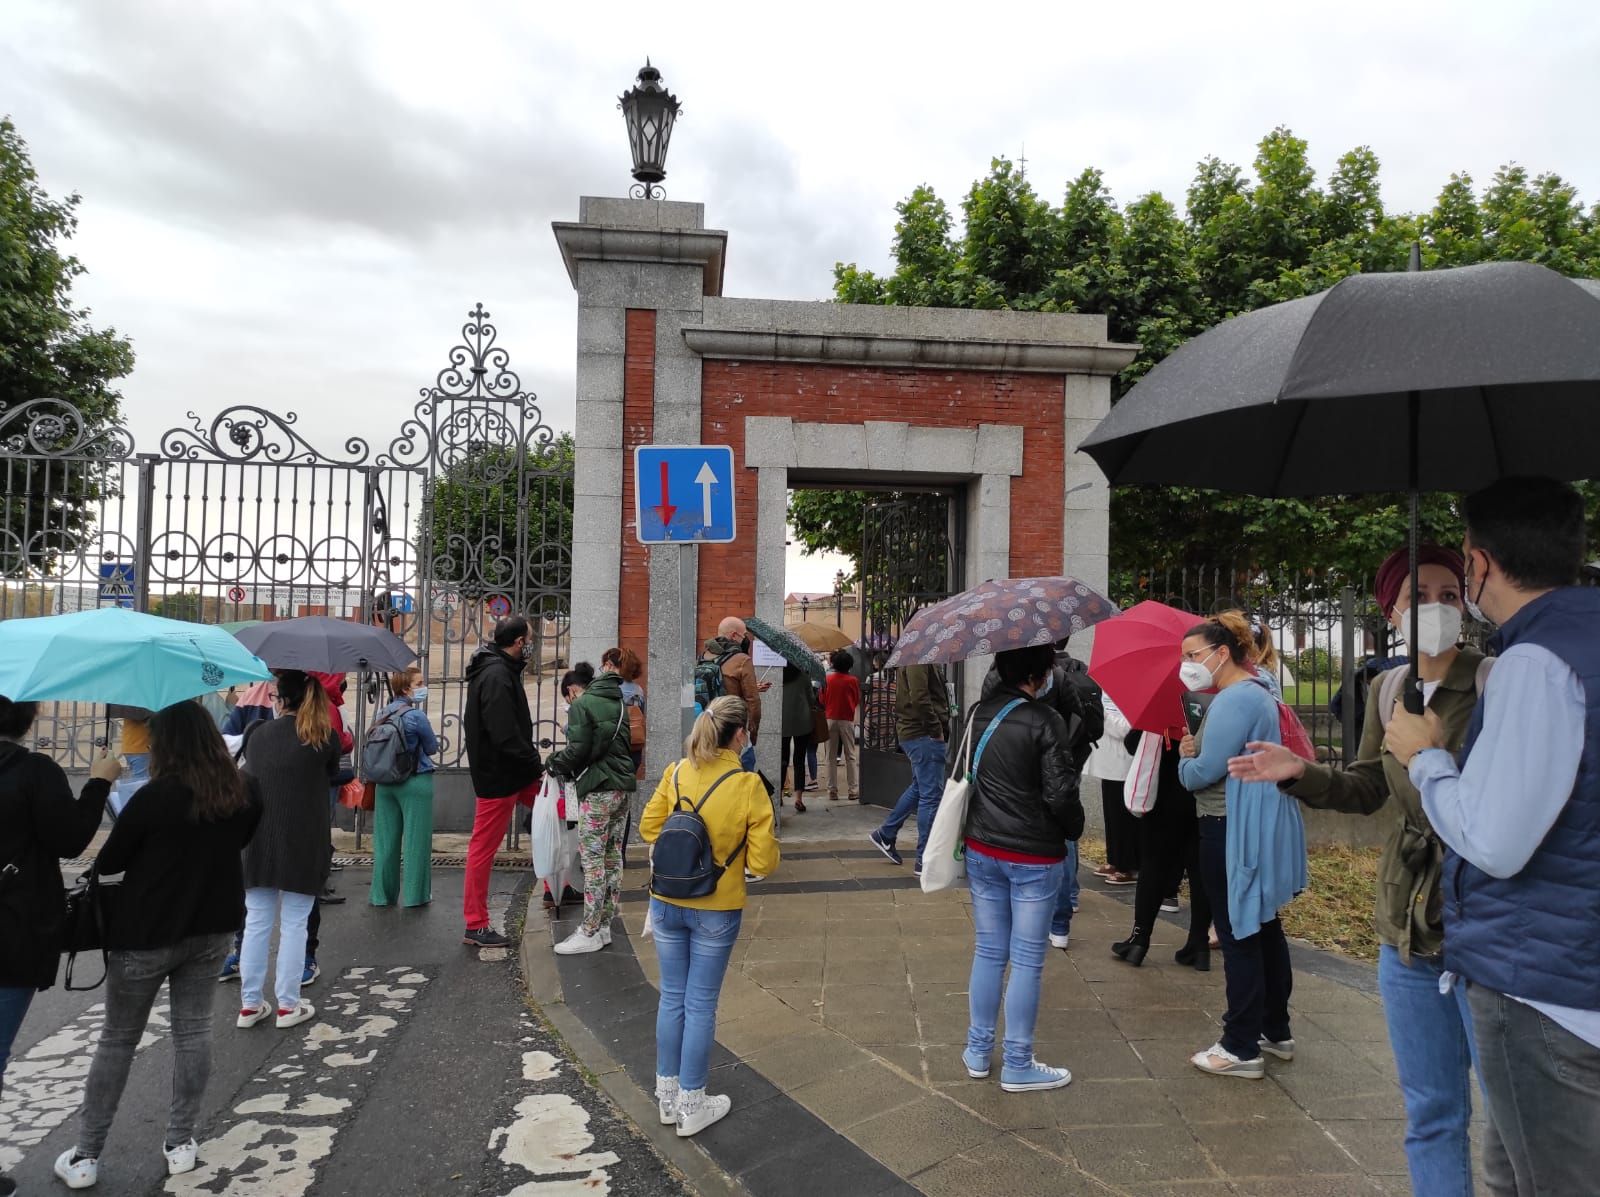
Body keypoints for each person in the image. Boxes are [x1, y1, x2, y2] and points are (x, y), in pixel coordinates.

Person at [1231, 544, 1486, 1194]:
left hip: (1485, 921)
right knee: (1431, 1112)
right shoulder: (1388, 689)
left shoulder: (1496, 683)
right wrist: (1301, 771)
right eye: (1416, 597)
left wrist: (1433, 756)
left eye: (1448, 595)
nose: (1434, 608)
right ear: (1389, 613)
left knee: (1511, 1124)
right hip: (1406, 925)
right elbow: (1368, 787)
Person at [1384, 476, 1600, 1197]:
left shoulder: (1532, 665)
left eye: (1453, 585)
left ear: (1478, 564)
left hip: (1539, 979)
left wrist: (1427, 758)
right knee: (1510, 1172)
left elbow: (1496, 841)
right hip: (1571, 957)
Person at [53, 702, 260, 1190]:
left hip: (145, 931)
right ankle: (181, 1142)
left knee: (118, 1039)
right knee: (194, 1032)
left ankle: (86, 1154)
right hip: (213, 926)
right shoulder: (243, 790)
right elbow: (240, 839)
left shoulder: (154, 797)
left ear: (165, 745)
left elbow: (110, 862)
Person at [1176, 613, 1307, 1079]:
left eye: (1193, 655)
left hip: (1227, 825)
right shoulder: (1257, 692)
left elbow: (1204, 772)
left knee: (1238, 932)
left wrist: (1184, 761)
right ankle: (1275, 1030)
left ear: (1221, 653)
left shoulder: (1234, 699)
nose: (1187, 664)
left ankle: (1240, 1046)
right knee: (1263, 924)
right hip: (1250, 821)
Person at [642, 697, 778, 1136]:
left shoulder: (676, 771)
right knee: (700, 1003)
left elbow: (649, 827)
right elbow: (763, 862)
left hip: (666, 900)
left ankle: (667, 1098)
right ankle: (692, 1102)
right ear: (739, 735)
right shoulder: (747, 785)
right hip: (717, 906)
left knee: (672, 997)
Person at [0, 700, 118, 1197]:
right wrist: (99, 782)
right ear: (28, 719)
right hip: (14, 930)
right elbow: (70, 839)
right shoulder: (33, 771)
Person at [958, 644, 1084, 1092]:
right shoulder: (1045, 720)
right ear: (1040, 674)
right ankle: (1017, 1063)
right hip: (1034, 855)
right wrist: (1075, 828)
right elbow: (1060, 794)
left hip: (982, 846)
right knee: (1027, 960)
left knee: (989, 951)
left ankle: (977, 1050)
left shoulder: (977, 713)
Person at [237, 669, 339, 1030]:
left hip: (257, 840)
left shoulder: (257, 735)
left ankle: (250, 1004)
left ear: (279, 700)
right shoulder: (323, 738)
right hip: (303, 842)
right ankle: (288, 1005)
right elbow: (332, 772)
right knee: (295, 923)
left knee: (256, 921)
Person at [462, 615, 544, 949]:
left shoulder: (499, 669)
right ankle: (475, 924)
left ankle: (557, 886)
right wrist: (535, 763)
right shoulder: (496, 674)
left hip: (513, 771)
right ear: (519, 642)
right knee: (483, 849)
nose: (532, 645)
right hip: (500, 775)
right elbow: (504, 733)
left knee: (557, 816)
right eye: (530, 639)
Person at [546, 655, 638, 955]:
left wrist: (553, 763)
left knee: (593, 861)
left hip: (598, 790)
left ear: (573, 690)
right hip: (622, 788)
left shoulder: (582, 706)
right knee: (612, 857)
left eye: (568, 697)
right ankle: (604, 925)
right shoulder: (617, 700)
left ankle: (588, 930)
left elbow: (579, 750)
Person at [1111, 727, 1212, 970]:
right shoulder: (1212, 712)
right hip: (1204, 798)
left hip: (1164, 798)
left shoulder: (1162, 714)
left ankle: (1139, 939)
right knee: (1200, 871)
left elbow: (1132, 743)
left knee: (1153, 867)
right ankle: (1199, 944)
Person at [867, 661, 949, 875]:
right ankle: (924, 860)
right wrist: (936, 729)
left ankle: (885, 834)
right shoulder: (918, 658)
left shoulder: (920, 657)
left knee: (920, 788)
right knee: (931, 796)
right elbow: (919, 697)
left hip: (919, 733)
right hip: (923, 734)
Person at [370, 666, 438, 909]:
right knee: (416, 841)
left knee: (385, 843)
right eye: (419, 684)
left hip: (384, 783)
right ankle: (415, 896)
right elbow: (432, 747)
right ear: (406, 688)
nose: (423, 687)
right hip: (414, 781)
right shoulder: (416, 716)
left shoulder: (382, 712)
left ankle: (381, 896)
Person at [1088, 694, 1139, 886]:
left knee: (1124, 819)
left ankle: (1128, 866)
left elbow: (1126, 729)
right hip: (1108, 764)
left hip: (1124, 764)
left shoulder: (1134, 695)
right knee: (1111, 816)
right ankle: (1114, 860)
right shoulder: (1107, 692)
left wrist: (1102, 714)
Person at [697, 618, 763, 748]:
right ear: (734, 635)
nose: (746, 639)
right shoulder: (742, 660)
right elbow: (753, 701)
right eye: (744, 635)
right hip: (731, 728)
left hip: (706, 725)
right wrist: (753, 732)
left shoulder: (703, 656)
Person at [821, 649, 861, 801]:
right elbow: (856, 699)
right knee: (850, 755)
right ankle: (853, 790)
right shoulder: (853, 680)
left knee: (830, 757)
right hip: (846, 719)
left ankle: (832, 790)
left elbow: (822, 699)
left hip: (829, 718)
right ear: (849, 665)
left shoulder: (827, 679)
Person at [602, 646, 646, 777]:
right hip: (633, 750)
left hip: (612, 752)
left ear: (610, 665)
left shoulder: (609, 689)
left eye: (604, 665)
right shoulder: (638, 690)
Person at [778, 664, 815, 811]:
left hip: (782, 723)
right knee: (799, 760)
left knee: (782, 760)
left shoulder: (777, 675)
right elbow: (811, 699)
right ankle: (798, 798)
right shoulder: (803, 675)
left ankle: (779, 796)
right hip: (802, 722)